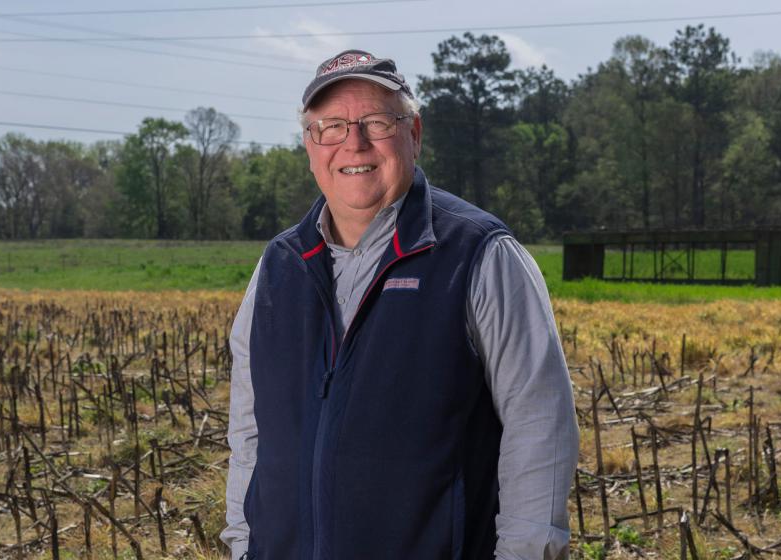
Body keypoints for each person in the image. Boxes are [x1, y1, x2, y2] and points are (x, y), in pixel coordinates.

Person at [222, 49, 579, 560]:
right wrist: (243, 547)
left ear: (413, 132)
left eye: (375, 121)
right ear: (309, 144)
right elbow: (250, 437)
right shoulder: (278, 269)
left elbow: (540, 427)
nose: (354, 142)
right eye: (332, 126)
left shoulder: (479, 254)